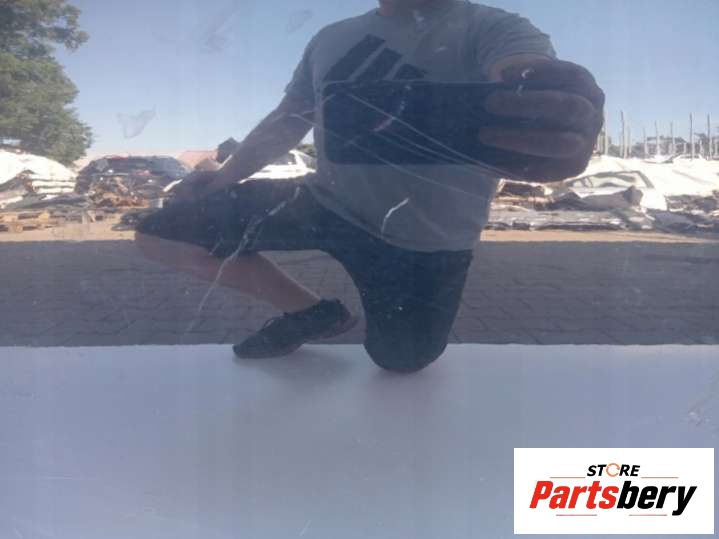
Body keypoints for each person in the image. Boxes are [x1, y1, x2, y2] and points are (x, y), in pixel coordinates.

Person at [135, 0, 604, 372]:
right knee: (162, 231)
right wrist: (221, 179)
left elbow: (526, 75)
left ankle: (357, 327)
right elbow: (288, 119)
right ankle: (311, 313)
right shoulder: (330, 38)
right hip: (324, 201)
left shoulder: (495, 26)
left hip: (423, 238)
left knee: (401, 361)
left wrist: (556, 109)